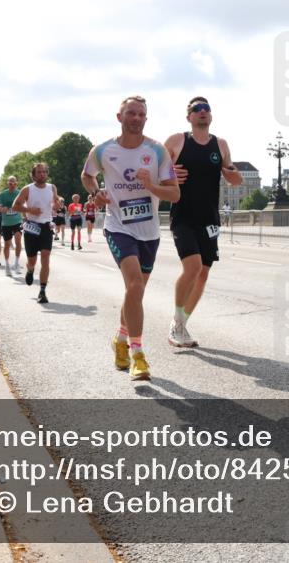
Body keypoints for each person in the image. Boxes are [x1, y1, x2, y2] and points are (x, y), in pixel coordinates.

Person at [81, 95, 179, 380]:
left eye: (141, 114)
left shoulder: (157, 151)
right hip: (118, 226)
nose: (136, 118)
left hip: (149, 232)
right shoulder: (102, 150)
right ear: (119, 117)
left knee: (135, 292)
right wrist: (95, 192)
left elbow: (174, 193)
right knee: (134, 284)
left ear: (146, 119)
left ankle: (120, 338)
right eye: (131, 113)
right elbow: (88, 175)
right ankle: (138, 355)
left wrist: (151, 185)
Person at [163, 96, 243, 348]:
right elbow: (156, 171)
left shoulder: (220, 144)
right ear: (188, 116)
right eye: (196, 109)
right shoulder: (177, 140)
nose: (202, 112)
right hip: (183, 215)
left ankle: (182, 323)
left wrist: (232, 173)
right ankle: (176, 324)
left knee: (203, 274)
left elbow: (235, 180)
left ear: (211, 115)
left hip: (209, 217)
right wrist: (169, 173)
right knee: (193, 267)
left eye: (206, 109)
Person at [12, 163, 60, 304]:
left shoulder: (52, 187)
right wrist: (29, 210)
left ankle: (42, 291)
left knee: (46, 257)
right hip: (32, 227)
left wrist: (57, 205)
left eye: (44, 172)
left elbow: (55, 202)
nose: (42, 174)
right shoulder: (28, 189)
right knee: (32, 260)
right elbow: (15, 206)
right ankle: (30, 270)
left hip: (46, 227)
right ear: (33, 175)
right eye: (39, 172)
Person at [0, 177, 24, 276]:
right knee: (7, 244)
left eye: (13, 183)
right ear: (8, 184)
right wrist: (2, 209)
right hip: (6, 223)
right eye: (10, 183)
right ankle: (7, 265)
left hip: (17, 221)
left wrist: (26, 215)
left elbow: (25, 205)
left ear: (16, 184)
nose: (12, 185)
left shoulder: (20, 193)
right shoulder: (3, 194)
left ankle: (16, 263)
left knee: (18, 241)